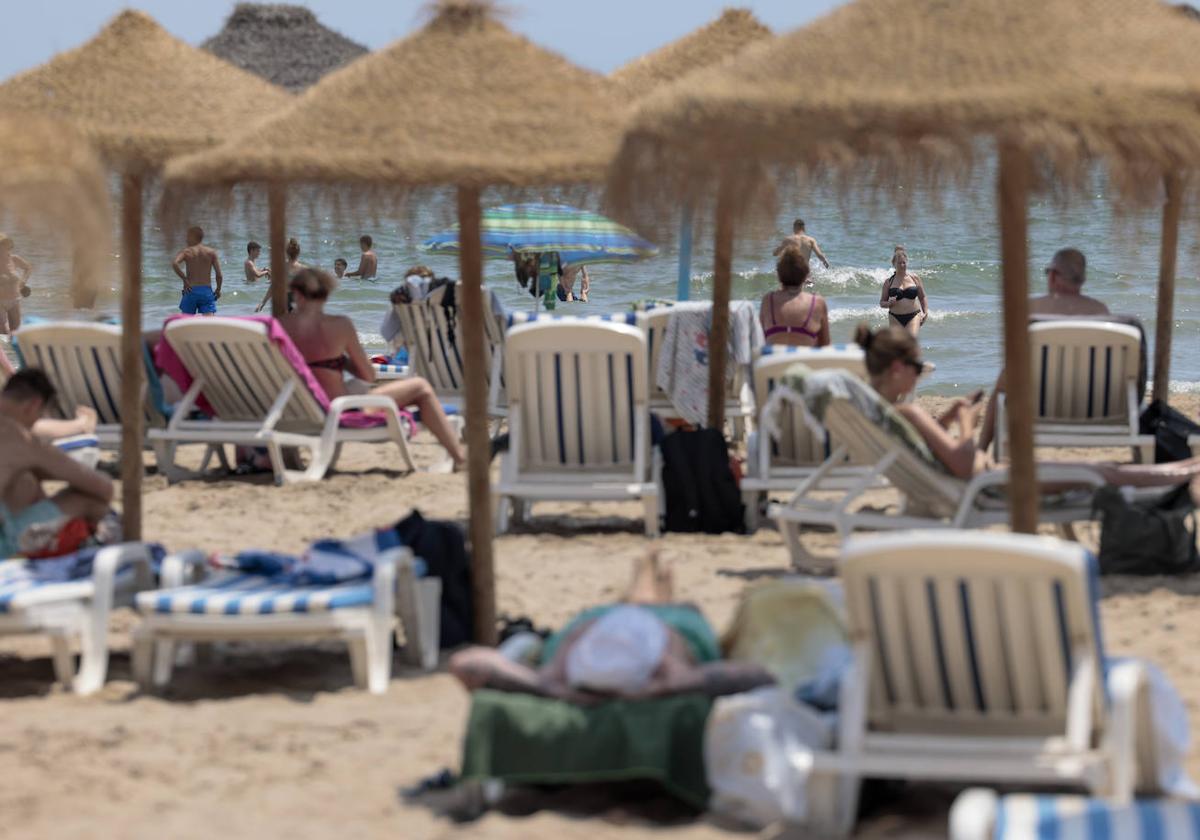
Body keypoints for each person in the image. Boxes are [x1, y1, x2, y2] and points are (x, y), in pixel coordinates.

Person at [853, 323, 1200, 490]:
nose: (919, 376)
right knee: (1100, 473)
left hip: (988, 473)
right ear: (897, 368)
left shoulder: (882, 411)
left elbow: (928, 448)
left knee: (1102, 469)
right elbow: (961, 463)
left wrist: (944, 417)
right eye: (916, 368)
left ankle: (1189, 467)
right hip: (987, 479)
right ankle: (1188, 471)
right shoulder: (907, 411)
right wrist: (966, 419)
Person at [448, 549, 774, 704]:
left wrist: (553, 690)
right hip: (670, 627)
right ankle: (654, 573)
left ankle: (648, 572)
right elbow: (762, 677)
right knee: (675, 605)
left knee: (638, 599)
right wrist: (662, 688)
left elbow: (467, 663)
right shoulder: (669, 671)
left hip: (599, 623)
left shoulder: (561, 674)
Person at [279, 268, 466, 470]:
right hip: (337, 409)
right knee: (420, 386)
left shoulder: (279, 326)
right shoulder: (340, 326)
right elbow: (368, 375)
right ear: (326, 295)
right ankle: (461, 459)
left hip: (293, 410)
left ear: (296, 294)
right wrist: (341, 361)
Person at [977, 247, 1110, 452]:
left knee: (1003, 383)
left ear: (1054, 276)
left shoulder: (1030, 308)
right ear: (1081, 279)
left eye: (1048, 272)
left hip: (1036, 410)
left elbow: (1013, 359)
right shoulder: (1101, 311)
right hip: (1091, 409)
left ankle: (981, 449)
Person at [0, 369, 114, 557]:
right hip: (4, 547)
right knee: (90, 501)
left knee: (26, 482)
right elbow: (103, 488)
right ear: (34, 406)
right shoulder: (22, 438)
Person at [759, 248, 830, 347]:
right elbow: (825, 346)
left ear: (779, 275)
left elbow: (760, 341)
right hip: (804, 360)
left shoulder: (768, 300)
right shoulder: (817, 302)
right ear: (806, 275)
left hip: (775, 360)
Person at [172, 226, 223, 316]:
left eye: (187, 236)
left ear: (192, 237)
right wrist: (218, 290)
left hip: (190, 290)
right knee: (209, 323)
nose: (186, 239)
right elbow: (219, 275)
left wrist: (184, 279)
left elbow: (175, 263)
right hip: (206, 291)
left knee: (187, 322)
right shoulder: (211, 252)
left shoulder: (187, 252)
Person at [879, 246, 928, 335]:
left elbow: (922, 297)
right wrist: (889, 303)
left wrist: (925, 312)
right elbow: (882, 302)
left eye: (904, 263)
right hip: (895, 317)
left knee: (911, 341)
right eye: (899, 263)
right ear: (894, 264)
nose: (902, 265)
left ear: (907, 263)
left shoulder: (915, 278)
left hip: (913, 315)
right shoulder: (888, 282)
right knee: (897, 346)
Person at [256, 237, 306, 313]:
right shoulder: (303, 269)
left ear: (286, 252)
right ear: (298, 252)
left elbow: (273, 286)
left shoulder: (281, 267)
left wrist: (263, 303)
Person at [0, 233, 33, 334]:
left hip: (14, 300)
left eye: (5, 245)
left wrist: (23, 281)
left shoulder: (14, 259)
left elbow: (28, 268)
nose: (5, 248)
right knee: (3, 333)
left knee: (16, 332)